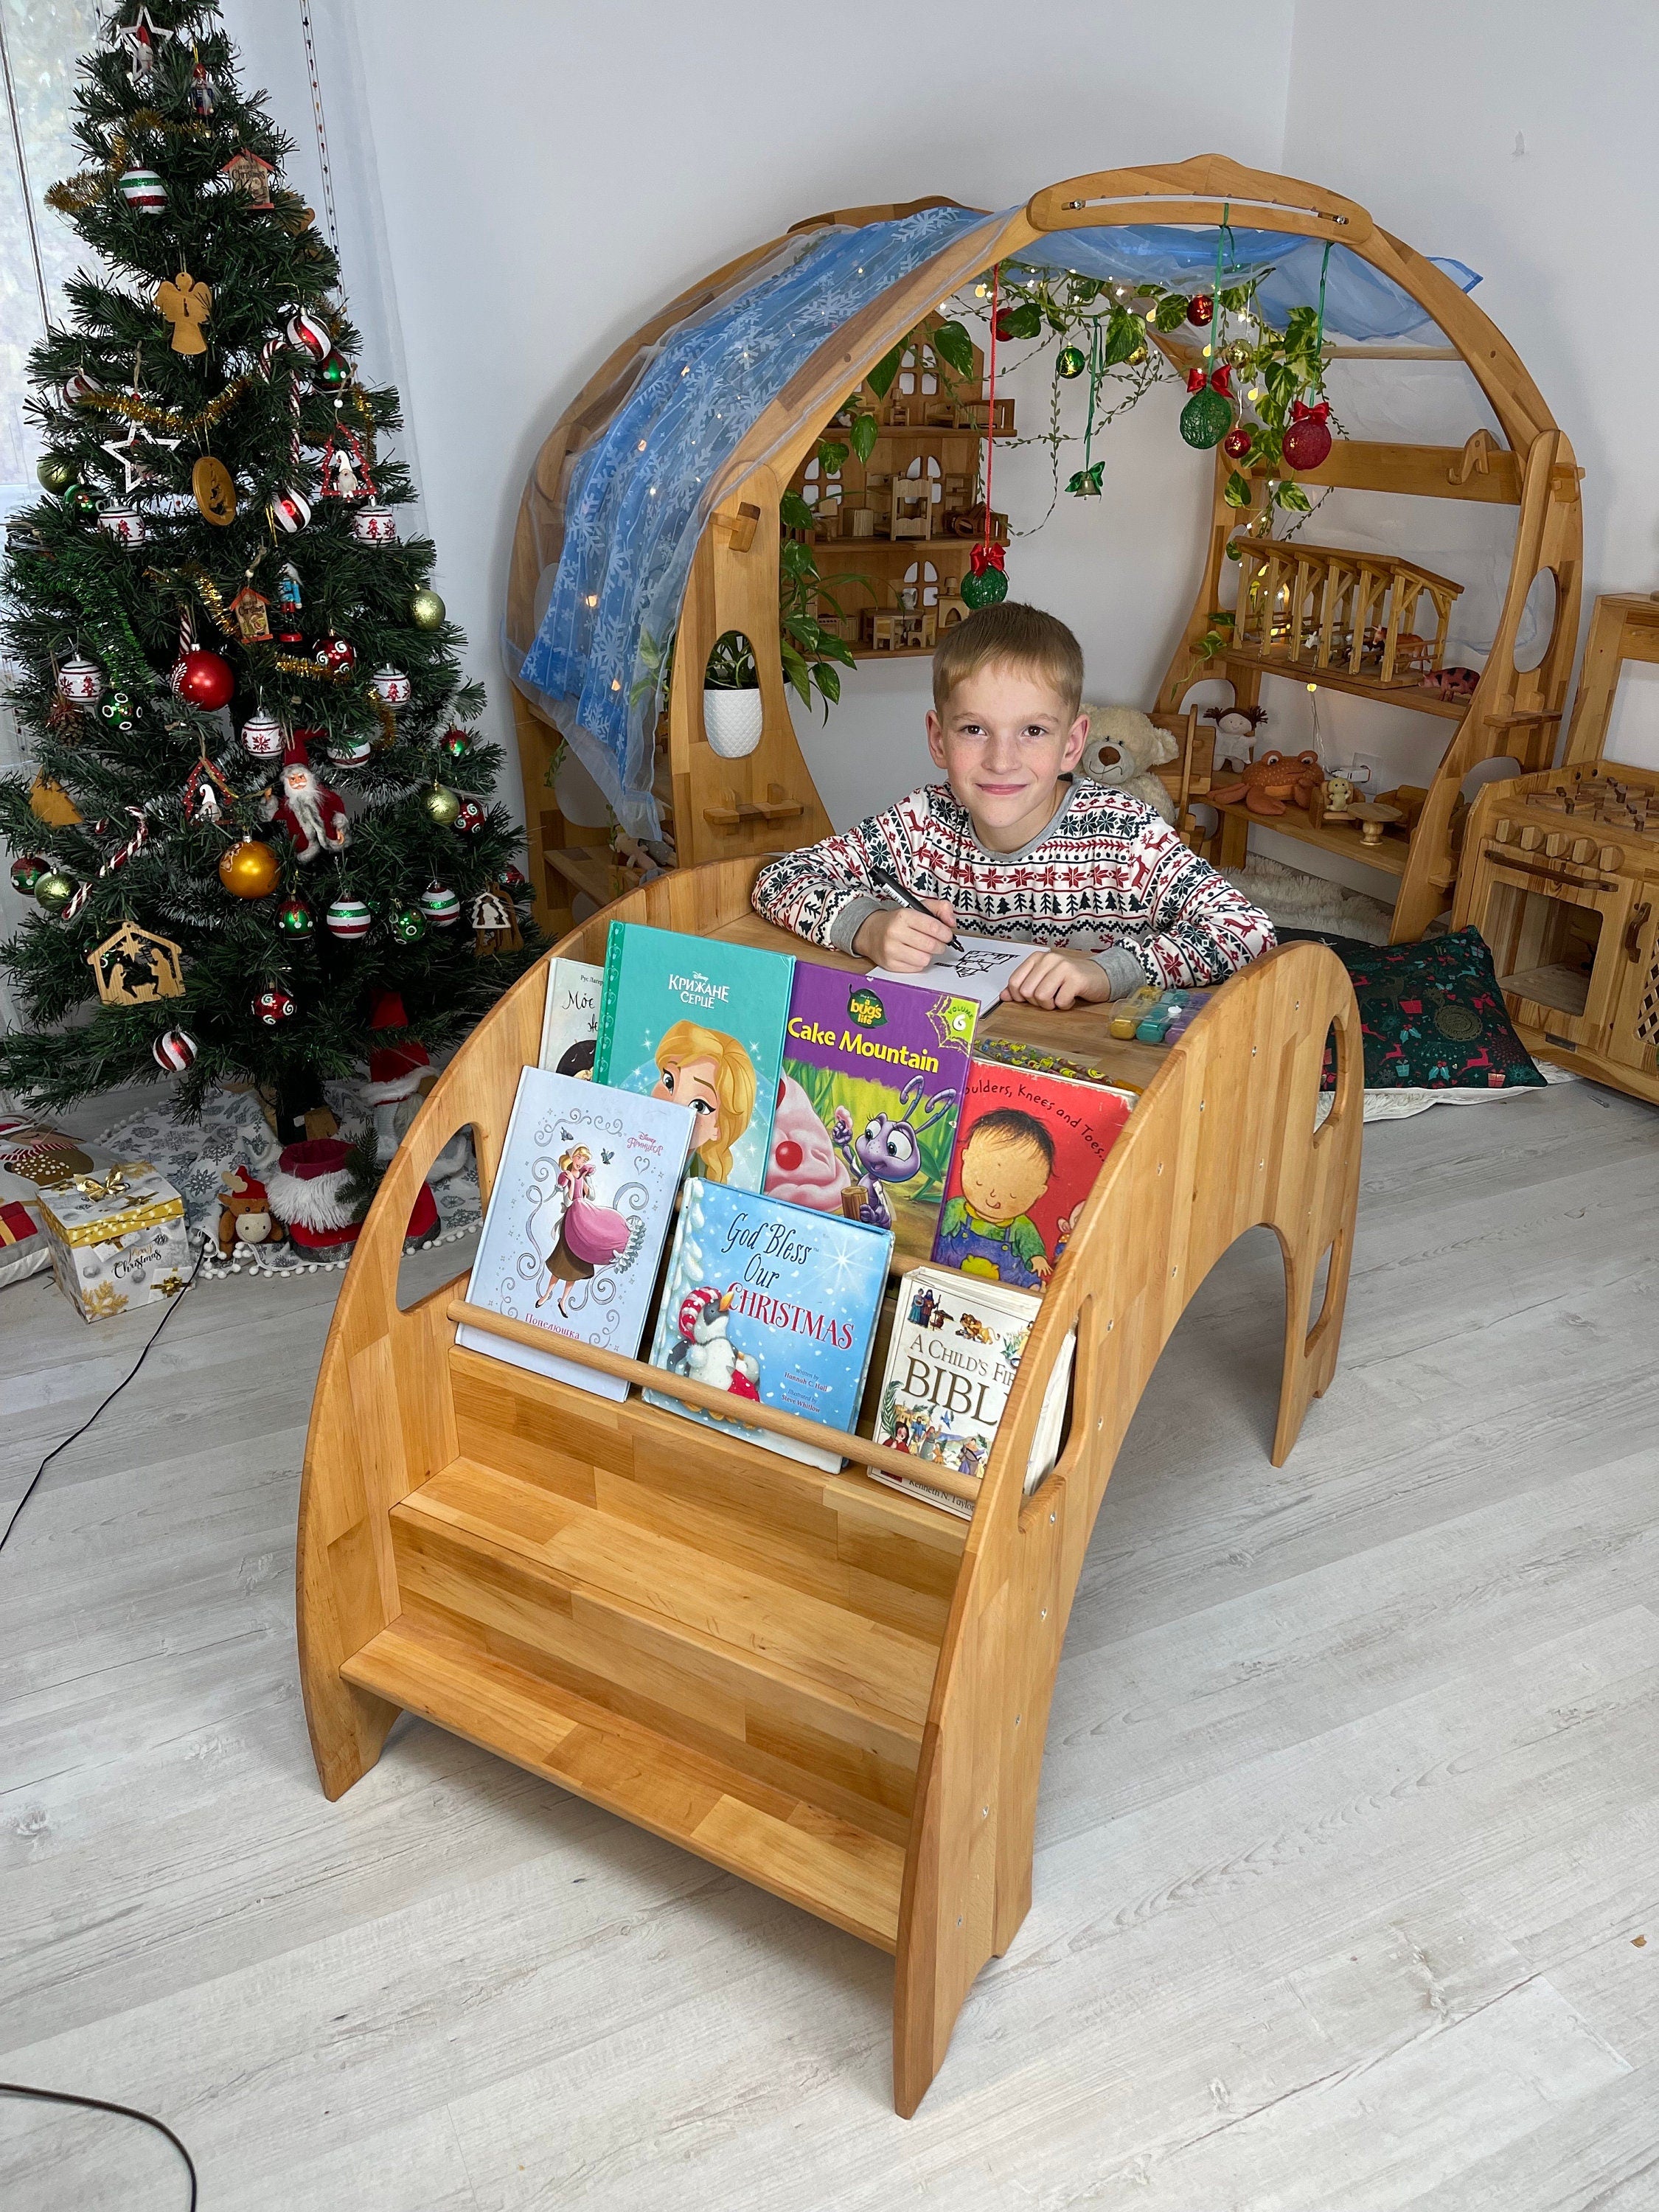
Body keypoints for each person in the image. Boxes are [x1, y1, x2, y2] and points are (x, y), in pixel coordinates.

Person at [751, 601, 1273, 1007]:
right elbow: (778, 879)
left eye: (1033, 731)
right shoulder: (918, 825)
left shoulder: (1125, 833)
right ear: (938, 739)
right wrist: (867, 928)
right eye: (974, 730)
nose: (1002, 761)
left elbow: (1247, 932)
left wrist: (1107, 970)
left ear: (1072, 744)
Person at [934, 1107, 1055, 1287]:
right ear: (965, 1157)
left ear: (1040, 1191)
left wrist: (1037, 1258)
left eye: (1012, 1193)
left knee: (1027, 1278)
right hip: (949, 1275)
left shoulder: (1021, 1226)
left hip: (1003, 1285)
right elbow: (939, 1233)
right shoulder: (957, 1207)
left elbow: (1031, 1246)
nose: (993, 1196)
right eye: (980, 1182)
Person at [650, 1018, 757, 1184]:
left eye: (699, 1106)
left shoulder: (701, 1180)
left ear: (719, 1129)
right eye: (669, 1081)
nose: (675, 1106)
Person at [536, 1144, 631, 1316]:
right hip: (572, 1221)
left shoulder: (583, 1175)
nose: (581, 1162)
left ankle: (563, 1300)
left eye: (584, 1159)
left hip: (585, 1217)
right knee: (562, 1260)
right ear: (572, 1157)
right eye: (579, 1157)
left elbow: (592, 1196)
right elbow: (568, 1202)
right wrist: (572, 1182)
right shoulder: (566, 1176)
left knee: (577, 1265)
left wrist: (587, 1180)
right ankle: (547, 1294)